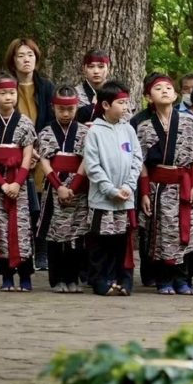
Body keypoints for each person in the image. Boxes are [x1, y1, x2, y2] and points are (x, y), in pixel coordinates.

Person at [136, 73, 193, 296]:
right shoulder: (145, 127)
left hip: (183, 185)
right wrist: (145, 193)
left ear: (176, 94)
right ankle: (164, 279)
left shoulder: (188, 122)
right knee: (161, 234)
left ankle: (182, 278)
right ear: (149, 97)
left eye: (168, 88)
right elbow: (142, 164)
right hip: (159, 187)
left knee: (186, 232)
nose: (165, 91)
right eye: (158, 88)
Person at [82, 80, 143, 297]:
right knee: (101, 241)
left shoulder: (128, 129)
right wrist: (109, 189)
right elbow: (92, 165)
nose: (126, 107)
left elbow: (137, 158)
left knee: (121, 241)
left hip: (125, 197)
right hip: (102, 199)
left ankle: (122, 280)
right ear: (106, 105)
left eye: (127, 102)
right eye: (121, 103)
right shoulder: (95, 132)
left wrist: (128, 186)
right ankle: (100, 280)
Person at [0, 72, 37, 291]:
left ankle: (25, 276)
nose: (8, 97)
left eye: (12, 92)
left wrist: (17, 183)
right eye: (3, 93)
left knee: (22, 229)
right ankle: (6, 276)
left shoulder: (25, 123)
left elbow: (28, 156)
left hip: (19, 184)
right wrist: (3, 184)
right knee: (0, 229)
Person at [5, 37, 55, 271]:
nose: (26, 60)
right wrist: (23, 150)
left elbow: (51, 122)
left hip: (41, 152)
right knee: (22, 203)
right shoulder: (6, 87)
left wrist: (37, 149)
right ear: (13, 60)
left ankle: (42, 251)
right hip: (14, 154)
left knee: (43, 201)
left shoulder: (46, 87)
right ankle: (21, 251)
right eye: (21, 55)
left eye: (30, 55)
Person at [35, 86, 90, 292]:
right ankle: (57, 279)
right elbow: (45, 161)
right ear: (53, 108)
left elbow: (86, 160)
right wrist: (58, 187)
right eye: (61, 109)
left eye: (70, 109)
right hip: (54, 187)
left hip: (78, 187)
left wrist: (74, 186)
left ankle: (73, 278)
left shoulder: (85, 132)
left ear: (77, 107)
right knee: (55, 234)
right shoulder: (47, 132)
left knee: (77, 236)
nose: (66, 114)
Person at [75, 49, 110, 124]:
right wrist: (93, 106)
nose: (96, 71)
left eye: (101, 67)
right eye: (91, 66)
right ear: (84, 69)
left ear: (108, 68)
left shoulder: (117, 92)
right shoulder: (75, 93)